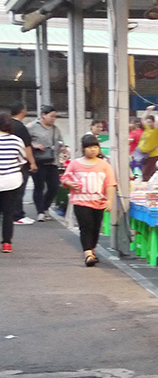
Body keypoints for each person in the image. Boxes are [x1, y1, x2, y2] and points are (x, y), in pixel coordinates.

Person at [61, 134, 115, 266]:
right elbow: (64, 178)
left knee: (96, 227)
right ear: (83, 148)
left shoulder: (104, 165)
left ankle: (92, 250)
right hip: (80, 201)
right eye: (89, 147)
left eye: (95, 147)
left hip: (98, 202)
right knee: (86, 226)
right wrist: (70, 183)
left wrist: (109, 200)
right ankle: (88, 254)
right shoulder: (75, 164)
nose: (93, 150)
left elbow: (110, 183)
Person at [0, 115, 37, 253]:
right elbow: (22, 159)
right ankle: (6, 243)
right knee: (8, 213)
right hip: (11, 181)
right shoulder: (17, 141)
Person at [27, 106, 66, 221]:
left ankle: (45, 207)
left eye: (55, 116)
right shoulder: (32, 127)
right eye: (51, 116)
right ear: (43, 115)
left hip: (52, 161)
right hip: (38, 161)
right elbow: (25, 142)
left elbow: (60, 142)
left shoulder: (55, 129)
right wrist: (35, 145)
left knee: (54, 186)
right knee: (39, 186)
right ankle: (40, 212)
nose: (53, 119)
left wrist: (62, 147)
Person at [5, 105, 36, 226]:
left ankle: (9, 213)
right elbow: (26, 147)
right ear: (22, 111)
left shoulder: (8, 126)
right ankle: (17, 215)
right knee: (19, 190)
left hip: (5, 164)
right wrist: (32, 162)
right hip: (18, 164)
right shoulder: (20, 127)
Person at [137, 112, 158, 181]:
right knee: (145, 174)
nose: (148, 124)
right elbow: (143, 119)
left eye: (150, 122)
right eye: (147, 122)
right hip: (146, 155)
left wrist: (156, 116)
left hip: (154, 156)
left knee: (149, 175)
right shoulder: (148, 129)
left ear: (154, 122)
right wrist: (148, 111)